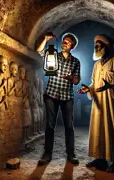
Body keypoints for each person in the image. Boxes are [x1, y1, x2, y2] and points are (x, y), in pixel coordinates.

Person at [77, 34, 114, 173]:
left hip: (112, 104)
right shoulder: (96, 65)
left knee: (113, 129)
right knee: (98, 129)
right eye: (95, 46)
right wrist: (88, 89)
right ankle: (100, 158)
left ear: (106, 46)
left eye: (98, 45)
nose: (96, 48)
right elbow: (94, 84)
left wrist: (111, 86)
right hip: (99, 104)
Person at [36, 32, 81, 165]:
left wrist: (71, 78)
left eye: (67, 42)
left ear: (72, 46)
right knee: (50, 126)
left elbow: (77, 80)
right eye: (63, 41)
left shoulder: (75, 62)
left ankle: (71, 154)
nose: (64, 43)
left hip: (67, 97)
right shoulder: (53, 55)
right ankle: (47, 154)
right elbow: (39, 52)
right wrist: (45, 39)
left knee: (69, 126)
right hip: (51, 94)